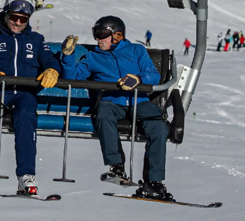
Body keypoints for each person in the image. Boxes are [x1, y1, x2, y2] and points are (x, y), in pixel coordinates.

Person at [62, 15, 169, 200]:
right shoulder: (93, 57)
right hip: (111, 103)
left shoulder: (136, 50)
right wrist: (68, 56)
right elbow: (73, 78)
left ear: (117, 35)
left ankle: (154, 182)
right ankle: (116, 166)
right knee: (103, 113)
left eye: (102, 34)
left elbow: (152, 74)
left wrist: (138, 79)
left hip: (139, 101)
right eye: (96, 34)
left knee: (158, 127)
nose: (98, 39)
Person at [0, 0, 61, 195]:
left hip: (23, 92)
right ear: (6, 14)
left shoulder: (35, 40)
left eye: (23, 19)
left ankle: (26, 175)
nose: (18, 23)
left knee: (26, 115)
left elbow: (49, 58)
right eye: (14, 17)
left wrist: (53, 69)